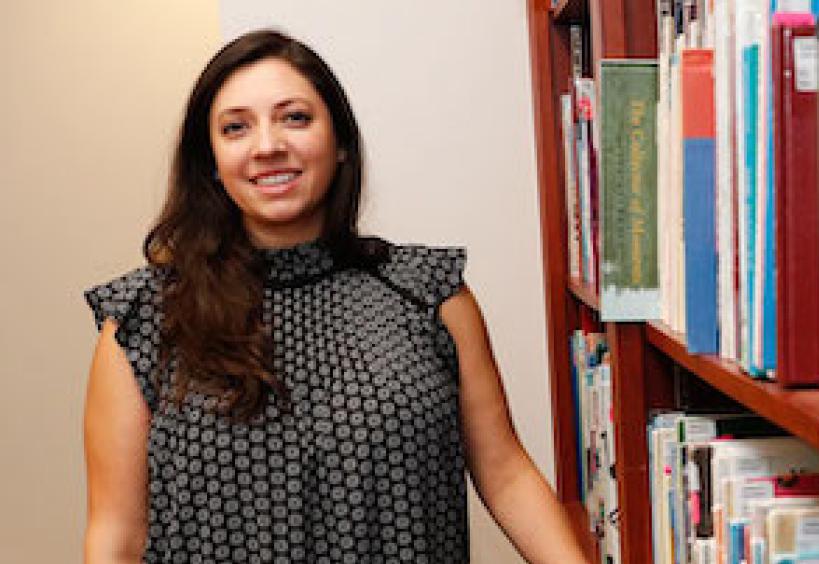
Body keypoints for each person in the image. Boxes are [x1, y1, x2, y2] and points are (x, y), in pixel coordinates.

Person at [83, 29, 588, 563]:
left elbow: (507, 476)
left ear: (340, 141)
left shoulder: (429, 294)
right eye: (236, 128)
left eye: (294, 117)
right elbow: (117, 537)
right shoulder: (144, 322)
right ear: (210, 159)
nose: (268, 145)